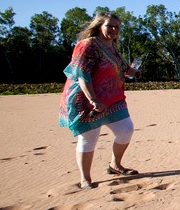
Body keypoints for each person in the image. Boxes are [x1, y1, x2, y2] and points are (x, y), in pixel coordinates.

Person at [59, 13, 141, 189]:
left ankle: (115, 165)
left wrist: (133, 72)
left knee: (126, 130)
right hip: (88, 99)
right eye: (110, 26)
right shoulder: (87, 45)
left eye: (117, 27)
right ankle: (85, 179)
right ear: (99, 26)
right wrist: (93, 99)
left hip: (113, 98)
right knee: (89, 138)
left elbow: (121, 67)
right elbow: (82, 74)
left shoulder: (111, 46)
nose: (114, 30)